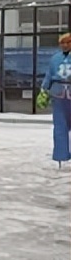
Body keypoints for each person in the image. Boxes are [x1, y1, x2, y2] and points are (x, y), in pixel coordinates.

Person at [39, 32, 71, 166]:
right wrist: (44, 90)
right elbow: (49, 75)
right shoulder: (55, 58)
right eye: (62, 43)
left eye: (68, 42)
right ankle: (61, 156)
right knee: (59, 127)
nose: (65, 45)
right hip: (58, 95)